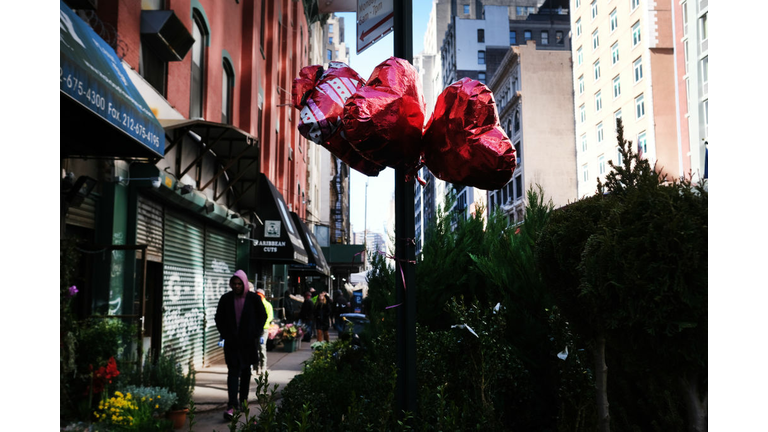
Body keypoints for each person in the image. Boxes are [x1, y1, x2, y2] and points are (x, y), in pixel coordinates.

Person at [215, 270, 268, 421]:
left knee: (245, 372)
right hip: (232, 343)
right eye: (234, 284)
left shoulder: (253, 299)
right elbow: (219, 318)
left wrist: (255, 333)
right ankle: (232, 405)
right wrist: (225, 334)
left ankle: (243, 400)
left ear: (244, 284)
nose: (237, 286)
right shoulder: (226, 299)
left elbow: (262, 316)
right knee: (232, 373)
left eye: (239, 284)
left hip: (248, 343)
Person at [253, 282, 273, 376]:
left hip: (263, 330)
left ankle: (263, 367)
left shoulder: (268, 305)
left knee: (262, 348)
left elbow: (270, 317)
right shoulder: (253, 305)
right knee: (255, 349)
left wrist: (262, 324)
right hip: (255, 329)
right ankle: (256, 367)